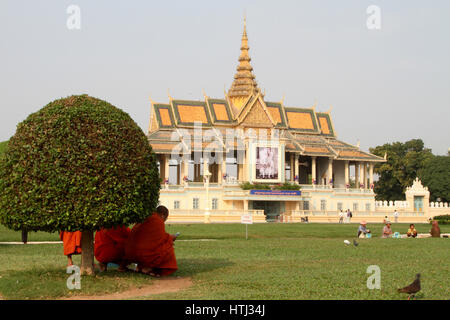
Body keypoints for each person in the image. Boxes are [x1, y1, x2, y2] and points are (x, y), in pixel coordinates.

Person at [125, 206, 178, 277]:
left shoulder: (146, 217)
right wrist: (171, 237)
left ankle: (141, 267)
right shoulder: (158, 221)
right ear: (163, 215)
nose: (165, 220)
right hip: (142, 254)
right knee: (168, 247)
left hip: (129, 253)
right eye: (166, 218)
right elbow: (161, 239)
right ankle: (148, 268)